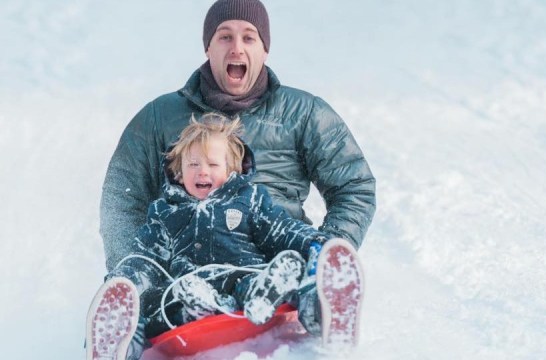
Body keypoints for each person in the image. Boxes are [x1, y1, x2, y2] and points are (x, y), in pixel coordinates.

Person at [99, 0, 375, 352]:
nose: (237, 47)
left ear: (265, 48)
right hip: (185, 279)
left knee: (300, 268)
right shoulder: (158, 117)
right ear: (208, 47)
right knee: (144, 299)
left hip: (275, 280)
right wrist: (133, 275)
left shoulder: (305, 113)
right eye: (224, 36)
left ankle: (322, 302)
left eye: (249, 37)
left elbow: (354, 186)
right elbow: (121, 198)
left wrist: (326, 253)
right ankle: (118, 342)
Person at [87, 114, 363, 359]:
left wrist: (321, 246)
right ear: (179, 172)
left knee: (285, 268)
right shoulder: (165, 214)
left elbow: (283, 231)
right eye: (192, 163)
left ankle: (320, 310)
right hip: (188, 290)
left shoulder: (249, 201)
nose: (202, 170)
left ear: (232, 170)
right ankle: (120, 343)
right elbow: (144, 258)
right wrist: (123, 284)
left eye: (212, 164)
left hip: (242, 280)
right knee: (155, 305)